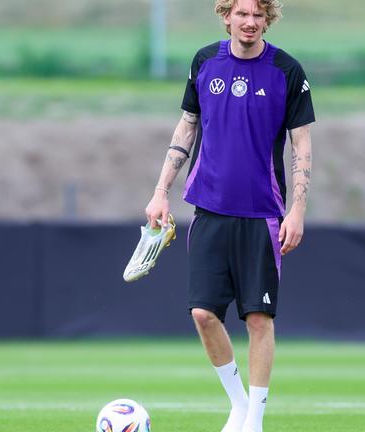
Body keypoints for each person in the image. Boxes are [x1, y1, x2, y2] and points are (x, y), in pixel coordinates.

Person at [144, 0, 314, 430]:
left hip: (262, 215)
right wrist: (160, 191)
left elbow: (302, 147)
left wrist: (297, 209)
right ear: (226, 17)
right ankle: (238, 405)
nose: (250, 22)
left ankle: (253, 422)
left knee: (259, 318)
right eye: (242, 14)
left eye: (259, 15)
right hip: (209, 209)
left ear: (268, 19)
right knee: (203, 314)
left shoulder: (287, 71)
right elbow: (186, 126)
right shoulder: (203, 62)